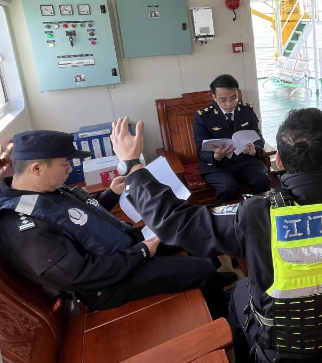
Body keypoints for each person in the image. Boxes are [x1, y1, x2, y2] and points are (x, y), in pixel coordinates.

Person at [113, 108, 322, 362]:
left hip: (285, 355)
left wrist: (133, 167)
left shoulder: (257, 214)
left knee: (239, 290)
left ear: (280, 161)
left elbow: (175, 221)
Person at [0, 130, 228, 317]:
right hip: (108, 283)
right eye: (65, 164)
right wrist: (141, 253)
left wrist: (111, 194)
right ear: (37, 168)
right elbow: (79, 274)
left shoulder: (43, 189)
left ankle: (214, 282)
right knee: (202, 269)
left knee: (184, 229)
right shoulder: (23, 228)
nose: (70, 169)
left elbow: (78, 220)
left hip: (123, 249)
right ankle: (220, 314)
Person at [194, 74, 270, 203]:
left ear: (238, 94)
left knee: (261, 179)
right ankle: (230, 215)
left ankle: (257, 209)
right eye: (223, 100)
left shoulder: (246, 111)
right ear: (214, 97)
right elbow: (201, 150)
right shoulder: (203, 116)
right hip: (217, 165)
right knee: (228, 187)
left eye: (234, 98)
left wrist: (254, 148)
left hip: (245, 160)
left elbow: (258, 138)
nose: (229, 104)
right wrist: (216, 156)